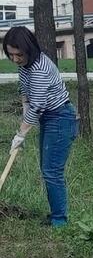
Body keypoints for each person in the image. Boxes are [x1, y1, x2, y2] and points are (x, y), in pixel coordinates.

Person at [3, 26, 79, 226]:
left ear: (29, 49)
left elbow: (37, 105)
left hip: (60, 118)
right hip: (49, 117)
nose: (15, 59)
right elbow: (25, 94)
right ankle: (56, 215)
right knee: (48, 170)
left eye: (19, 54)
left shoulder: (39, 69)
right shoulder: (25, 65)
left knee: (51, 171)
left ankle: (59, 221)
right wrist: (24, 117)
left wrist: (21, 134)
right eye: (10, 55)